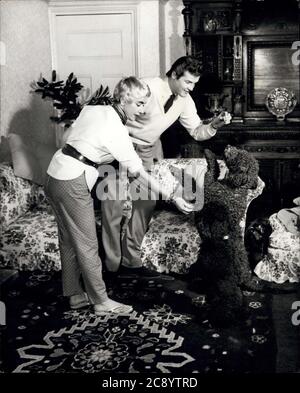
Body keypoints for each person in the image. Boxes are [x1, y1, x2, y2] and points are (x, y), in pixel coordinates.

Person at [44, 76, 193, 314]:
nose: (143, 110)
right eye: (139, 104)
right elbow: (140, 173)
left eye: (146, 103)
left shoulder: (94, 108)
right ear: (123, 100)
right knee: (88, 243)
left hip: (54, 173)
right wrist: (172, 196)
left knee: (68, 239)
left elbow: (66, 139)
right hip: (73, 179)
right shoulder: (116, 129)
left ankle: (74, 295)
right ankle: (101, 301)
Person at [101, 56, 232, 277]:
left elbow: (197, 131)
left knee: (145, 203)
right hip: (119, 148)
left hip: (147, 151)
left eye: (194, 84)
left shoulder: (184, 99)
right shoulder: (147, 87)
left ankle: (131, 262)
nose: (191, 88)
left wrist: (215, 124)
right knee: (113, 204)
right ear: (173, 75)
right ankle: (110, 265)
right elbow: (117, 108)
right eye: (188, 82)